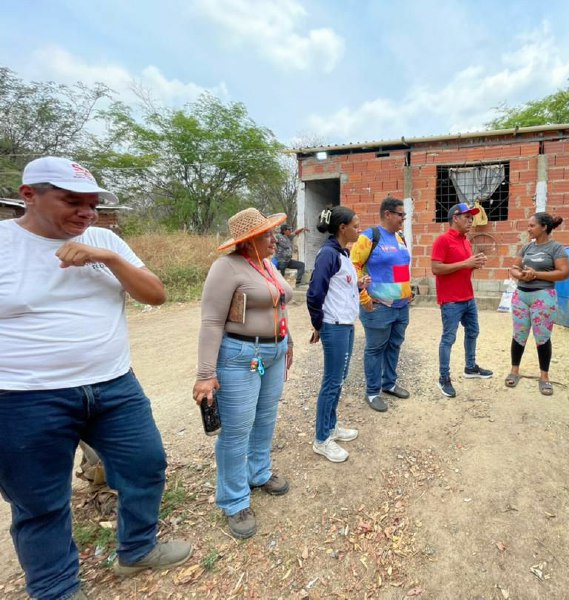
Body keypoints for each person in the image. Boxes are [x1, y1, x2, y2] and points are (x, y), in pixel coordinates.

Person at [0, 157, 191, 600]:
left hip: (113, 386)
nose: (86, 212)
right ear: (30, 194)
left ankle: (137, 548)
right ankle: (55, 588)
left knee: (146, 467)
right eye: (72, 201)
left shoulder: (103, 239)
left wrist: (106, 256)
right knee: (39, 503)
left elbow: (156, 295)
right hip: (23, 397)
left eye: (92, 203)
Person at [193, 208, 293, 540]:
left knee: (265, 418)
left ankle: (259, 473)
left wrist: (286, 341)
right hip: (239, 356)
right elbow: (211, 321)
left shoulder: (266, 265)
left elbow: (280, 303)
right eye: (267, 235)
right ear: (249, 241)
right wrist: (206, 373)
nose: (274, 239)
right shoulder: (226, 268)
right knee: (236, 431)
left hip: (273, 353)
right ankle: (235, 500)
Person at [306, 206, 369, 462]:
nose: (359, 229)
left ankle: (331, 427)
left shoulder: (342, 253)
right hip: (335, 326)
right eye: (355, 225)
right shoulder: (328, 255)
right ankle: (321, 439)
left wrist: (359, 284)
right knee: (331, 382)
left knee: (340, 378)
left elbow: (337, 287)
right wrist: (319, 324)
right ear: (342, 228)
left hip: (346, 324)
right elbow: (314, 293)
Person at [351, 197, 413, 412]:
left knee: (394, 346)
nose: (403, 219)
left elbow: (401, 266)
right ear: (387, 214)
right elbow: (354, 267)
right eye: (400, 215)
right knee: (375, 349)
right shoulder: (370, 237)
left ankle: (389, 384)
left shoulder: (399, 237)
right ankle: (372, 391)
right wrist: (364, 297)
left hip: (401, 306)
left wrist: (407, 290)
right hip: (378, 308)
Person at [431, 202, 494, 398]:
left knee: (473, 331)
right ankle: (444, 378)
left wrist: (473, 264)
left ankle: (470, 367)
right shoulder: (442, 240)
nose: (471, 220)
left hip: (468, 297)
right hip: (451, 300)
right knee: (448, 339)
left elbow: (461, 266)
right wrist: (466, 263)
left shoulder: (466, 241)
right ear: (455, 218)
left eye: (471, 217)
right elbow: (436, 268)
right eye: (467, 217)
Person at [505, 213, 569, 395]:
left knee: (542, 337)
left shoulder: (556, 248)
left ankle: (544, 377)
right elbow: (514, 267)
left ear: (544, 227)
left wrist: (537, 274)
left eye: (532, 225)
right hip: (521, 296)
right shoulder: (526, 247)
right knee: (519, 334)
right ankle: (514, 371)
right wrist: (520, 275)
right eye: (528, 225)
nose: (528, 228)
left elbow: (564, 273)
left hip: (543, 296)